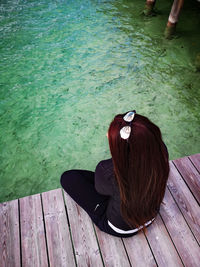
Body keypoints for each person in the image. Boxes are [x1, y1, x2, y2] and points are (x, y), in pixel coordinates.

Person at [60, 110, 169, 238]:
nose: (107, 134)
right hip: (151, 215)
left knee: (68, 178)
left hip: (120, 227)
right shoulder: (161, 152)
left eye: (111, 134)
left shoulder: (106, 169)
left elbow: (101, 191)